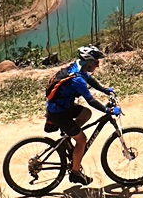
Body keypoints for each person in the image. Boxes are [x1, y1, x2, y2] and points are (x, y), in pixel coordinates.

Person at [45, 45, 118, 186]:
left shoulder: (77, 67)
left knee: (86, 114)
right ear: (88, 62)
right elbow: (91, 100)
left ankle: (69, 135)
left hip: (61, 107)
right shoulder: (76, 79)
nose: (98, 65)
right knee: (82, 140)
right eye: (96, 62)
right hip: (59, 113)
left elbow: (90, 80)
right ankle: (75, 173)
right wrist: (107, 111)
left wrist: (104, 90)